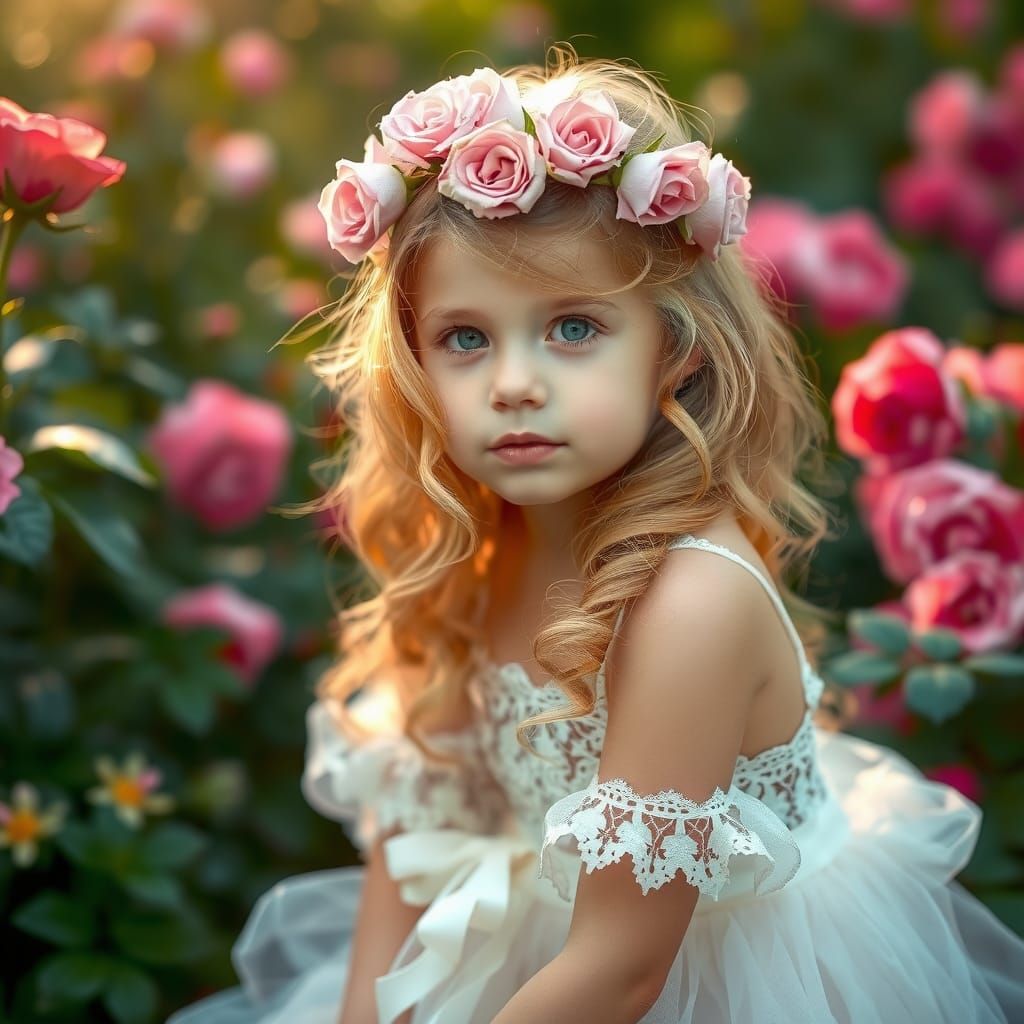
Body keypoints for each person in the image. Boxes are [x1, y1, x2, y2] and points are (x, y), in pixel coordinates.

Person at [168, 44, 1024, 1024]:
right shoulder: (478, 551)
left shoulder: (690, 601)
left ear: (674, 343)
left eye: (573, 327)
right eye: (464, 337)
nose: (515, 382)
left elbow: (621, 965)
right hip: (536, 958)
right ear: (413, 364)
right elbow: (411, 856)